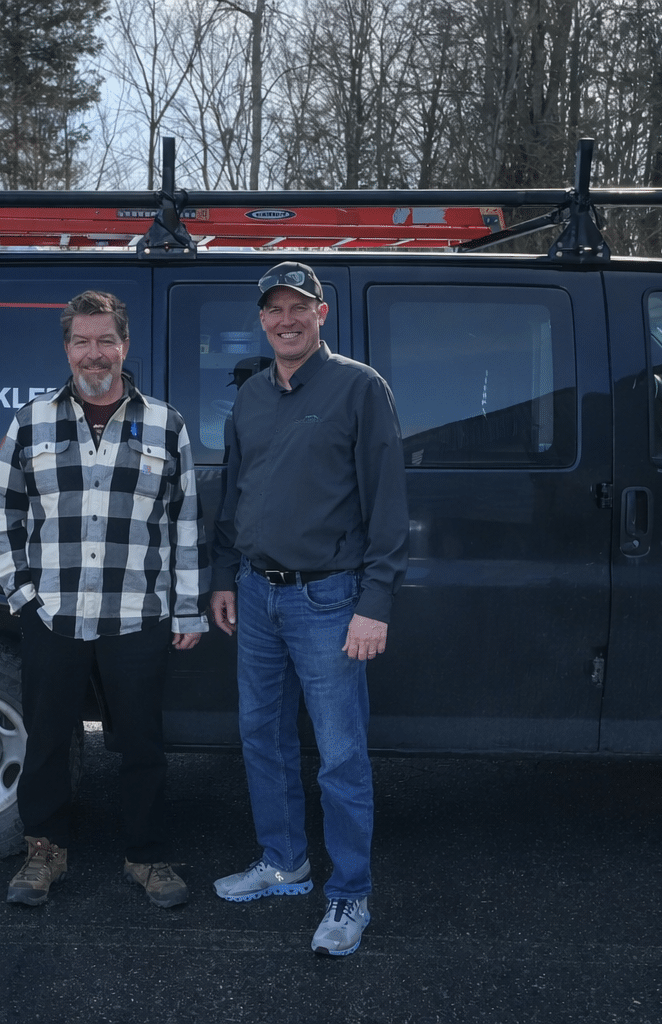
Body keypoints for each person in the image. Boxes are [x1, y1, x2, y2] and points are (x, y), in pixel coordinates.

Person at [209, 261, 408, 956]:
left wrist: (374, 602)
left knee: (341, 756)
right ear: (261, 320)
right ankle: (283, 861)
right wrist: (224, 575)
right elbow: (233, 495)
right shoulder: (252, 398)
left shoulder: (359, 388)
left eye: (299, 307)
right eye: (274, 309)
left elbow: (388, 504)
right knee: (261, 736)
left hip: (330, 599)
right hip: (256, 594)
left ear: (321, 314)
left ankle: (349, 894)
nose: (285, 319)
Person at [0, 290, 207, 909]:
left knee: (142, 743)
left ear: (125, 344)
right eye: (82, 341)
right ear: (66, 348)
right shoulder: (31, 422)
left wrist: (185, 606)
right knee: (49, 739)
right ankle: (44, 856)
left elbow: (185, 522)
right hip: (52, 613)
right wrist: (22, 595)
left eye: (105, 339)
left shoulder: (166, 424)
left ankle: (148, 856)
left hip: (137, 615)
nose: (95, 353)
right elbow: (2, 510)